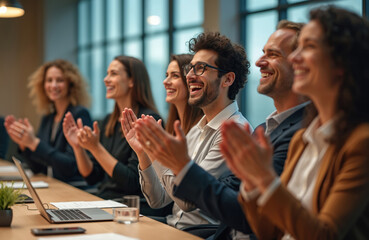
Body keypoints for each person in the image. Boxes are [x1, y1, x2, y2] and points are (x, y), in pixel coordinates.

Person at [221, 6, 369, 240]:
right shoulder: (303, 138)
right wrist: (251, 183)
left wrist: (265, 179)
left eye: (308, 47)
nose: (295, 58)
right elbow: (269, 231)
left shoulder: (361, 142)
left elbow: (325, 235)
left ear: (342, 63)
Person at [158, 20, 308, 240]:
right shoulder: (264, 129)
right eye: (191, 68)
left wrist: (178, 164)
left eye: (273, 54)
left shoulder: (298, 132)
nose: (259, 62)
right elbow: (233, 193)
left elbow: (244, 213)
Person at [124, 32, 251, 231]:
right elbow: (158, 200)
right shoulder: (196, 130)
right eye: (190, 68)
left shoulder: (234, 132)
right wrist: (145, 152)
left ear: (227, 79)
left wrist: (156, 150)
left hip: (200, 233)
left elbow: (187, 202)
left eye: (201, 68)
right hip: (174, 226)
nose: (190, 76)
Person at [63, 56, 161, 208]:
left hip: (130, 207)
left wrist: (96, 148)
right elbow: (92, 177)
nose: (105, 79)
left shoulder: (147, 119)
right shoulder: (108, 121)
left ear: (131, 81)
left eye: (113, 74)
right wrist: (79, 148)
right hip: (105, 201)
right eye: (107, 73)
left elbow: (132, 182)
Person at [4, 59, 91, 185]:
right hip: (53, 185)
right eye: (49, 80)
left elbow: (70, 167)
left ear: (70, 84)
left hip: (73, 188)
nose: (53, 85)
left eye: (60, 80)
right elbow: (38, 167)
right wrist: (25, 145)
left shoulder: (80, 114)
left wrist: (34, 143)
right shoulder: (48, 118)